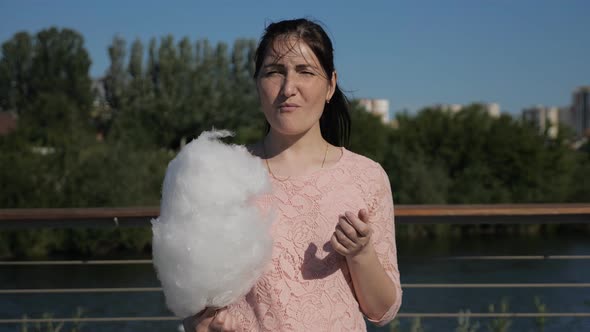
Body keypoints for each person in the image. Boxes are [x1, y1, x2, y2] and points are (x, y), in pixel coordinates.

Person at [183, 18, 402, 332]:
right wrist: (201, 323)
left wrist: (362, 253)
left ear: (330, 85)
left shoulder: (367, 176)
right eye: (274, 72)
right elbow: (193, 300)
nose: (288, 88)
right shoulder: (221, 175)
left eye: (306, 72)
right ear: (257, 83)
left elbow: (381, 311)